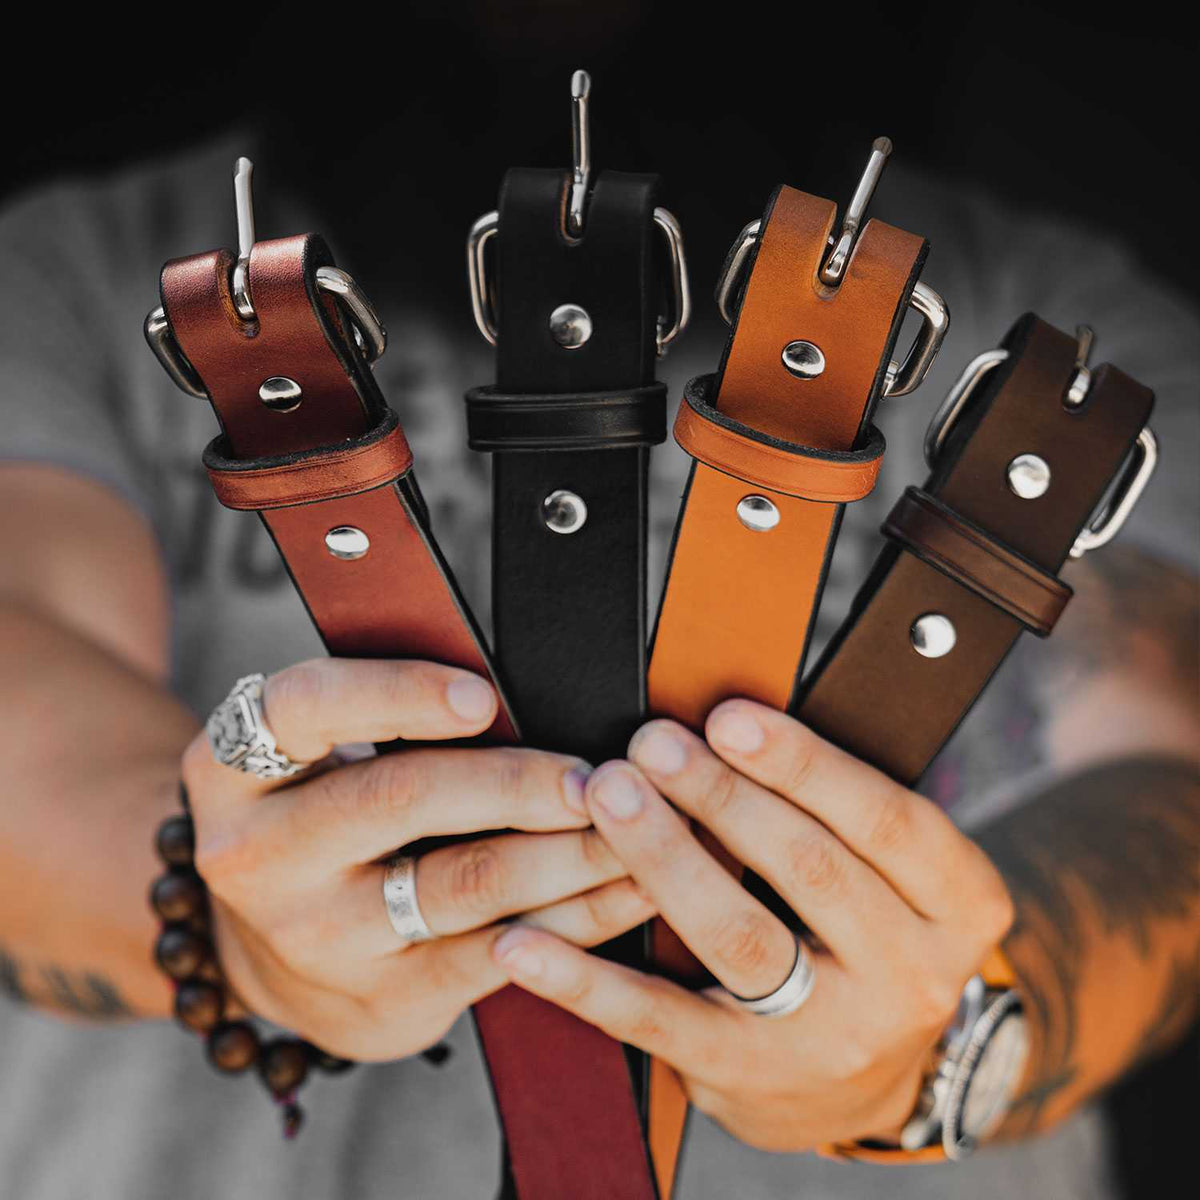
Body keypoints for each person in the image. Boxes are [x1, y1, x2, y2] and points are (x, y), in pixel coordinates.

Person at [0, 130, 1196, 1200]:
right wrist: (221, 923)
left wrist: (955, 1036)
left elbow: (1165, 774)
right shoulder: (76, 272)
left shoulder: (1070, 324)